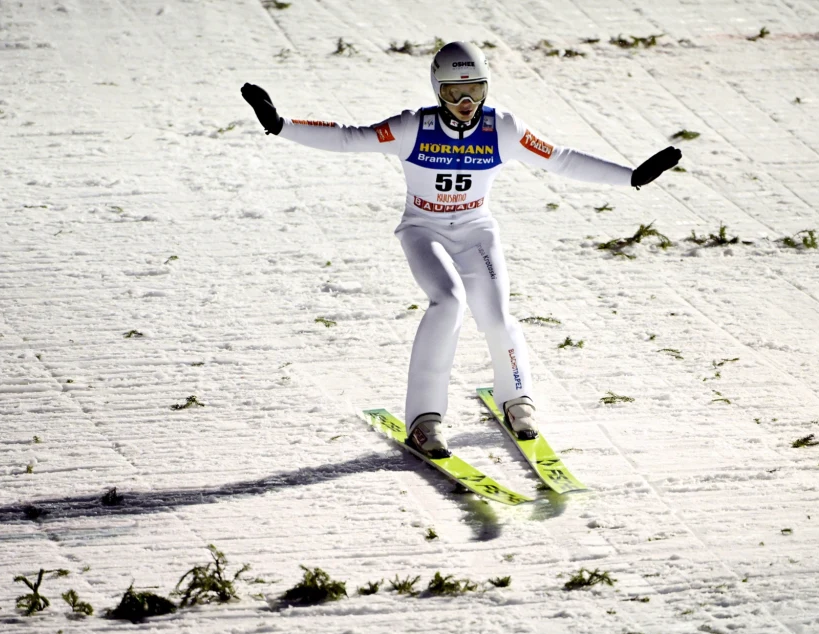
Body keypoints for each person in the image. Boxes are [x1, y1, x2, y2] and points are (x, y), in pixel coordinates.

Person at [242, 41, 680, 458]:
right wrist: (280, 125)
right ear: (438, 90)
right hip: (423, 229)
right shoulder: (413, 126)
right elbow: (348, 137)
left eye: (475, 91)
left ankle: (517, 399)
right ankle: (425, 419)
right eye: (455, 93)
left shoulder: (502, 128)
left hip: (475, 230)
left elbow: (559, 158)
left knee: (495, 310)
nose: (466, 103)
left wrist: (630, 177)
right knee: (448, 301)